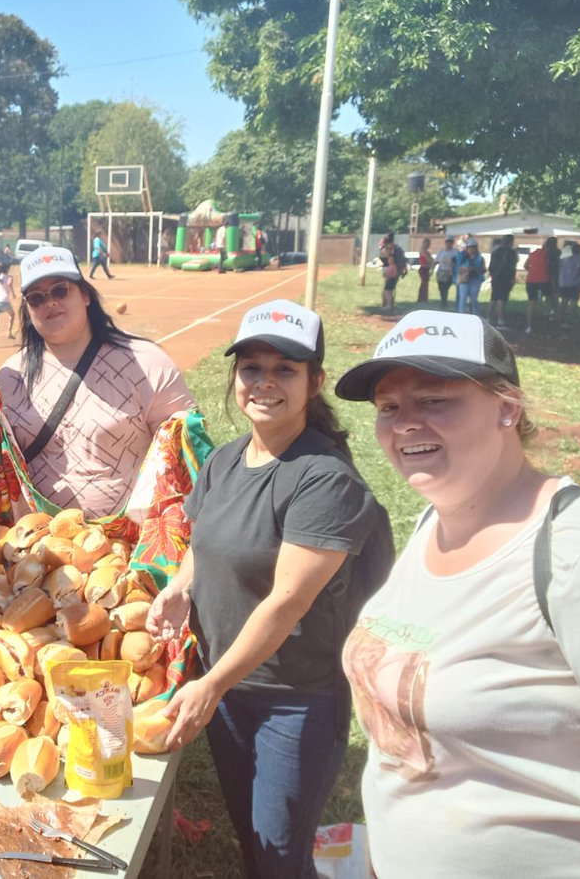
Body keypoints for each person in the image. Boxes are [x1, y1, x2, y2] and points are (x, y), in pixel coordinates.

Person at [334, 310, 580, 878]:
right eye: (388, 407)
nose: (405, 423)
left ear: (507, 408)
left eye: (434, 400)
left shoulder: (572, 551)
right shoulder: (437, 518)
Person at [147, 299, 393, 879]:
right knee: (252, 835)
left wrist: (210, 686)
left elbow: (288, 601)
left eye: (285, 369)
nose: (264, 382)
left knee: (280, 852)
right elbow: (202, 538)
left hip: (293, 699)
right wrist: (180, 586)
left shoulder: (324, 479)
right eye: (251, 367)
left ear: (315, 383)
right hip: (229, 685)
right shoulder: (226, 459)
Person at [0, 246, 196, 520]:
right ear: (28, 310)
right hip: (35, 540)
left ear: (86, 295)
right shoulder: (10, 378)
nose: (49, 302)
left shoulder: (147, 364)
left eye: (60, 290)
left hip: (127, 540)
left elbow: (187, 454)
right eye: (37, 298)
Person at [488, 233, 519, 329]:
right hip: (505, 278)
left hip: (495, 277)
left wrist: (493, 274)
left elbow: (491, 266)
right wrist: (512, 279)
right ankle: (500, 320)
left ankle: (489, 318)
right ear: (510, 242)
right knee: (502, 299)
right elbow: (512, 267)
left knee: (493, 298)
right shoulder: (511, 253)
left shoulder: (495, 251)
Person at [524, 238, 555, 333]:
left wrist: (533, 271)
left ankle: (529, 326)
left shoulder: (534, 253)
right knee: (549, 299)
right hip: (544, 279)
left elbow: (526, 265)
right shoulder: (550, 254)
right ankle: (547, 317)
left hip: (531, 279)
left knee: (531, 302)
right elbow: (550, 267)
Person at [455, 237, 486, 316]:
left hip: (475, 280)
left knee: (473, 298)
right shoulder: (462, 257)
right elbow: (458, 268)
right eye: (469, 247)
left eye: (473, 247)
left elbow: (483, 270)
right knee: (463, 299)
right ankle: (461, 315)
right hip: (464, 280)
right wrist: (466, 269)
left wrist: (475, 269)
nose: (471, 249)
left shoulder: (480, 258)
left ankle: (476, 315)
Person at [557, 241, 580, 323]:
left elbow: (560, 269)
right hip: (575, 283)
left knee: (563, 301)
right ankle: (572, 319)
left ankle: (560, 318)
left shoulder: (564, 259)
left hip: (563, 282)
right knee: (573, 301)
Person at [379, 232, 407, 317]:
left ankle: (388, 304)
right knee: (390, 288)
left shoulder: (388, 248)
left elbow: (386, 257)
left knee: (388, 288)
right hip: (395, 268)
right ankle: (389, 304)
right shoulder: (397, 248)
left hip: (391, 268)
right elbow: (402, 259)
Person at [432, 236, 459, 310]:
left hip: (449, 273)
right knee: (441, 288)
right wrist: (431, 270)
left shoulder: (455, 252)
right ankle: (443, 301)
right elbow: (436, 261)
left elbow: (458, 262)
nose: (449, 244)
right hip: (441, 272)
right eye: (447, 242)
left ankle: (444, 303)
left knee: (445, 288)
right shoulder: (441, 251)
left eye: (450, 242)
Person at [415, 237, 433, 303]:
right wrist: (431, 261)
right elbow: (428, 259)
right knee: (424, 283)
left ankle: (424, 298)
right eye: (427, 243)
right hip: (423, 269)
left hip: (427, 268)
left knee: (425, 284)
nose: (428, 245)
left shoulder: (427, 251)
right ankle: (422, 298)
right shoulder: (423, 250)